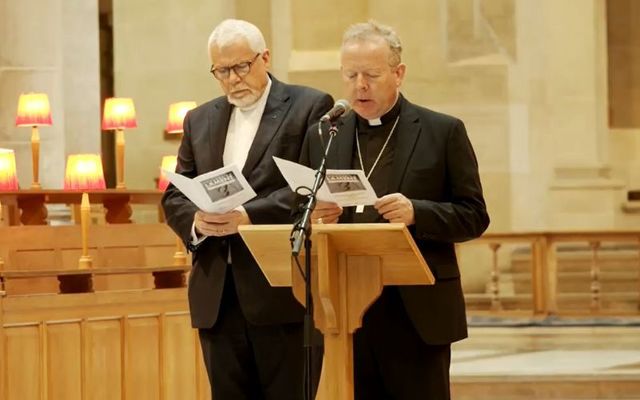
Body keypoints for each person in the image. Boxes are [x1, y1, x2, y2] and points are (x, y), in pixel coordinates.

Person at [300, 20, 490, 399]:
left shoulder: (442, 131)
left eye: (371, 74)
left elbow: (474, 215)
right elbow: (300, 208)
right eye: (351, 74)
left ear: (398, 73)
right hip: (346, 311)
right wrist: (314, 217)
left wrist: (417, 212)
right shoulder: (324, 134)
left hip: (416, 313)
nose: (360, 85)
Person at [162, 19, 333, 400]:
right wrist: (196, 220)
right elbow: (175, 194)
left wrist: (248, 216)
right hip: (217, 297)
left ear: (265, 58)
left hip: (282, 292)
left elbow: (311, 187)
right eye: (221, 71)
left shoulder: (308, 106)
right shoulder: (199, 119)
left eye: (241, 66)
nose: (232, 79)